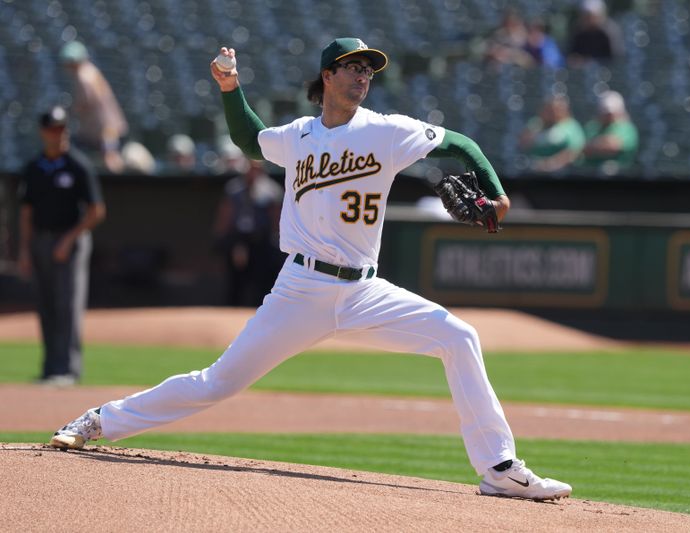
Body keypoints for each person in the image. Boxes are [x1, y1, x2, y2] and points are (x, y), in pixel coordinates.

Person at [49, 38, 572, 502]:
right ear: (327, 76)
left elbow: (463, 145)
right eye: (353, 67)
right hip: (301, 288)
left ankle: (499, 468)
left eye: (369, 69)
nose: (364, 75)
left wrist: (497, 194)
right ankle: (99, 422)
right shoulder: (298, 136)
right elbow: (248, 139)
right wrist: (230, 86)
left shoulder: (388, 132)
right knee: (217, 383)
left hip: (366, 292)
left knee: (458, 337)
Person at [17, 106, 106, 386]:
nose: (59, 134)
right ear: (44, 132)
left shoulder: (78, 165)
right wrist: (24, 249)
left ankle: (67, 369)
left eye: (63, 128)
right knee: (45, 303)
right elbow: (26, 211)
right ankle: (49, 368)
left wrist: (70, 239)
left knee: (68, 303)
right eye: (54, 129)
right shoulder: (34, 168)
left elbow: (96, 210)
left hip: (71, 241)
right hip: (41, 240)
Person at [213, 155, 284, 306]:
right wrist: (221, 235)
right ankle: (230, 311)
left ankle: (259, 310)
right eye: (251, 168)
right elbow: (226, 213)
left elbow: (276, 218)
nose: (253, 172)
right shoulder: (234, 188)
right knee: (235, 279)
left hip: (261, 241)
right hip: (237, 239)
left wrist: (277, 240)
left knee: (262, 279)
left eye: (257, 169)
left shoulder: (271, 190)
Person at [59, 41, 129, 174]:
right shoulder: (91, 70)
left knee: (110, 158)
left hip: (102, 128)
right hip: (107, 126)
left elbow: (85, 102)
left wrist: (71, 111)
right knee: (110, 156)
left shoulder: (83, 76)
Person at [518, 95, 585, 172]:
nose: (554, 112)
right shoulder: (537, 123)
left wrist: (549, 165)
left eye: (558, 109)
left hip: (562, 170)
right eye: (550, 109)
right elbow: (523, 143)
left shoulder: (571, 126)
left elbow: (574, 152)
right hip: (533, 168)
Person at [579, 90, 639, 173]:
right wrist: (604, 143)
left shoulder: (626, 128)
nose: (609, 116)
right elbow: (580, 147)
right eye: (605, 112)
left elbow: (613, 147)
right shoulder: (592, 126)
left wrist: (594, 145)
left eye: (611, 113)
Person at [566, 0, 625, 66]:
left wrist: (588, 61)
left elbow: (615, 59)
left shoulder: (609, 33)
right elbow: (572, 54)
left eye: (589, 16)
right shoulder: (579, 32)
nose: (587, 19)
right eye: (585, 16)